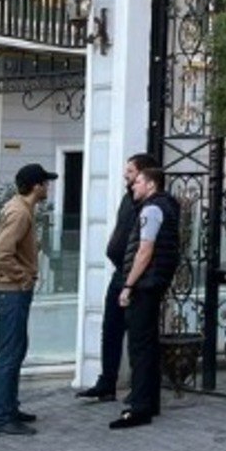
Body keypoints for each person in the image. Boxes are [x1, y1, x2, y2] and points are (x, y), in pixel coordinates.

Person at [76, 151, 157, 403]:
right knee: (110, 327)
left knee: (137, 335)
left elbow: (145, 245)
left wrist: (131, 280)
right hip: (119, 272)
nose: (126, 176)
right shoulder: (128, 199)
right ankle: (107, 381)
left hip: (136, 276)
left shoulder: (149, 205)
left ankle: (139, 389)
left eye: (131, 172)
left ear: (144, 175)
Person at [0, 163, 58, 436]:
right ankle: (3, 418)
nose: (48, 187)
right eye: (45, 183)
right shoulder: (20, 213)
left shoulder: (20, 208)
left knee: (15, 349)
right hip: (11, 291)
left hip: (10, 290)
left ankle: (10, 408)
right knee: (9, 353)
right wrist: (23, 277)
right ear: (36, 186)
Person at [110, 166, 181, 430]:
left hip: (145, 284)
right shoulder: (165, 206)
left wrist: (128, 285)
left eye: (138, 181)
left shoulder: (151, 210)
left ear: (151, 185)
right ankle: (150, 402)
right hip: (154, 282)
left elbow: (145, 250)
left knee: (139, 346)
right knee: (148, 344)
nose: (133, 186)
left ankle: (139, 407)